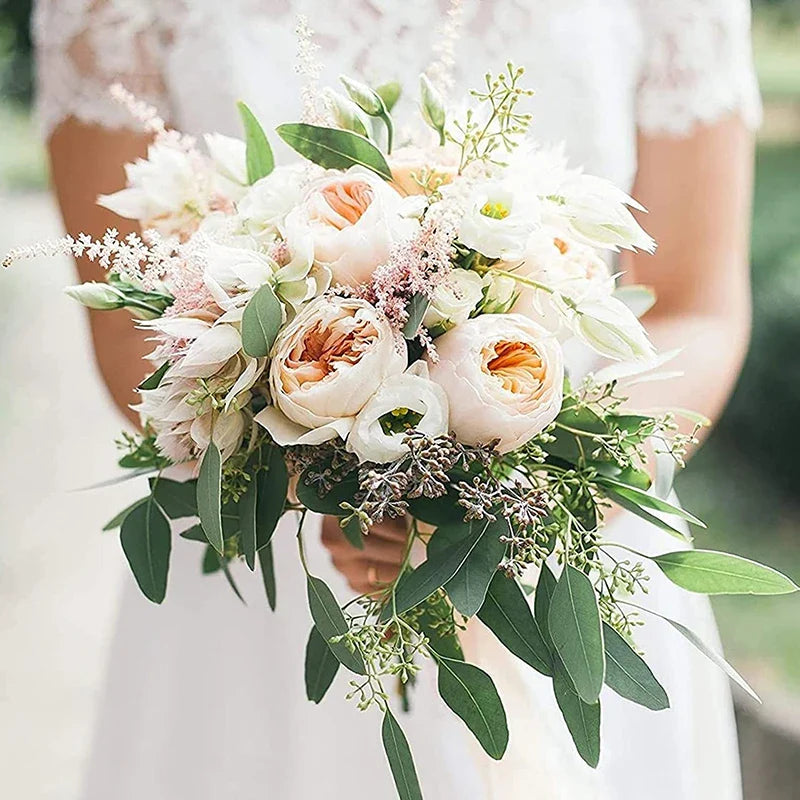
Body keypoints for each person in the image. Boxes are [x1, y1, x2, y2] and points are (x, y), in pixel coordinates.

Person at [34, 1, 759, 797]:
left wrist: (526, 502)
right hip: (273, 561)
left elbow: (698, 302)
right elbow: (130, 333)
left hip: (561, 549)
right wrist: (337, 491)